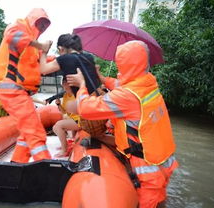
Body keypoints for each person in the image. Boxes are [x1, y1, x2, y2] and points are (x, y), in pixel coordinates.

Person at [66, 40, 178, 208]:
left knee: (148, 202)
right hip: (164, 158)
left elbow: (86, 108)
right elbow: (122, 84)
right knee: (161, 200)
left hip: (147, 168)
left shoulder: (125, 97)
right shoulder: (148, 82)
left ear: (125, 64)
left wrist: (82, 85)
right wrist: (103, 78)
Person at [0, 8, 52, 163]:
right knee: (35, 132)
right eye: (41, 23)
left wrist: (65, 59)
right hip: (10, 87)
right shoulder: (20, 26)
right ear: (33, 20)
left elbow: (41, 64)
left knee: (27, 132)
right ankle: (46, 166)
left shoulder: (32, 46)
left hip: (19, 91)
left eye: (45, 24)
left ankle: (17, 164)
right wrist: (40, 45)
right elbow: (12, 35)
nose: (43, 27)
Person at [40, 33, 101, 100]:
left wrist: (44, 52)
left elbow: (43, 70)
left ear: (61, 49)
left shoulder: (65, 58)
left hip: (86, 103)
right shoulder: (89, 57)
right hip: (98, 99)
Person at [52, 78, 80, 157]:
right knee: (55, 127)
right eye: (63, 83)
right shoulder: (65, 95)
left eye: (64, 82)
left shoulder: (77, 94)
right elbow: (64, 112)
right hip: (73, 119)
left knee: (58, 126)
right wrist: (59, 105)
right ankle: (66, 145)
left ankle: (64, 150)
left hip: (81, 120)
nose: (63, 84)